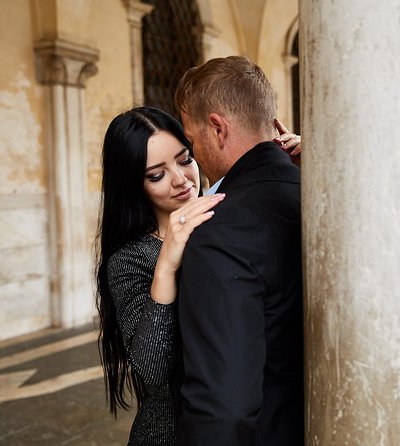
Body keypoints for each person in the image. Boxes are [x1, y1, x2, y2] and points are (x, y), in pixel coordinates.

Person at [94, 105, 301, 445]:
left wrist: (301, 172)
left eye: (185, 159)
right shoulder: (129, 259)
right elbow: (153, 369)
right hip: (171, 433)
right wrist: (167, 263)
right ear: (133, 186)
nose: (180, 179)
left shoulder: (228, 219)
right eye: (156, 175)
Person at [173, 56, 303, 445]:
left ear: (217, 128)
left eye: (192, 142)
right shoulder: (314, 193)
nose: (195, 156)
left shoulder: (219, 229)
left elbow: (223, 411)